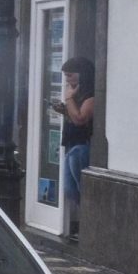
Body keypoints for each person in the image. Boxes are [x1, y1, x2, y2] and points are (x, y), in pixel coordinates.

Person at [54, 56, 98, 242]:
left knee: (81, 188)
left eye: (70, 75)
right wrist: (64, 109)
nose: (67, 80)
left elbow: (80, 119)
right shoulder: (77, 95)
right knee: (70, 189)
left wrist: (69, 99)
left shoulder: (90, 95)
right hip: (73, 145)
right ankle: (85, 223)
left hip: (82, 147)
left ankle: (90, 226)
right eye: (65, 76)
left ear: (82, 74)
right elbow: (74, 116)